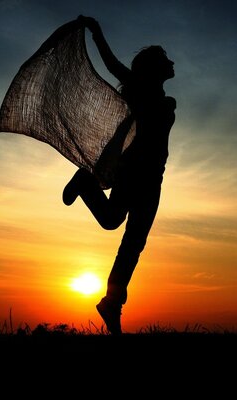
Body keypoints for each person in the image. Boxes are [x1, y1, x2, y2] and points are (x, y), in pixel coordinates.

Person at [63, 16, 176, 335]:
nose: (172, 62)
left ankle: (112, 304)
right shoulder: (142, 91)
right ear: (154, 68)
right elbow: (112, 64)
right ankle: (84, 182)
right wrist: (95, 30)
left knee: (134, 243)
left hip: (154, 179)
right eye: (165, 59)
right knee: (114, 223)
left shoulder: (159, 97)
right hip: (133, 174)